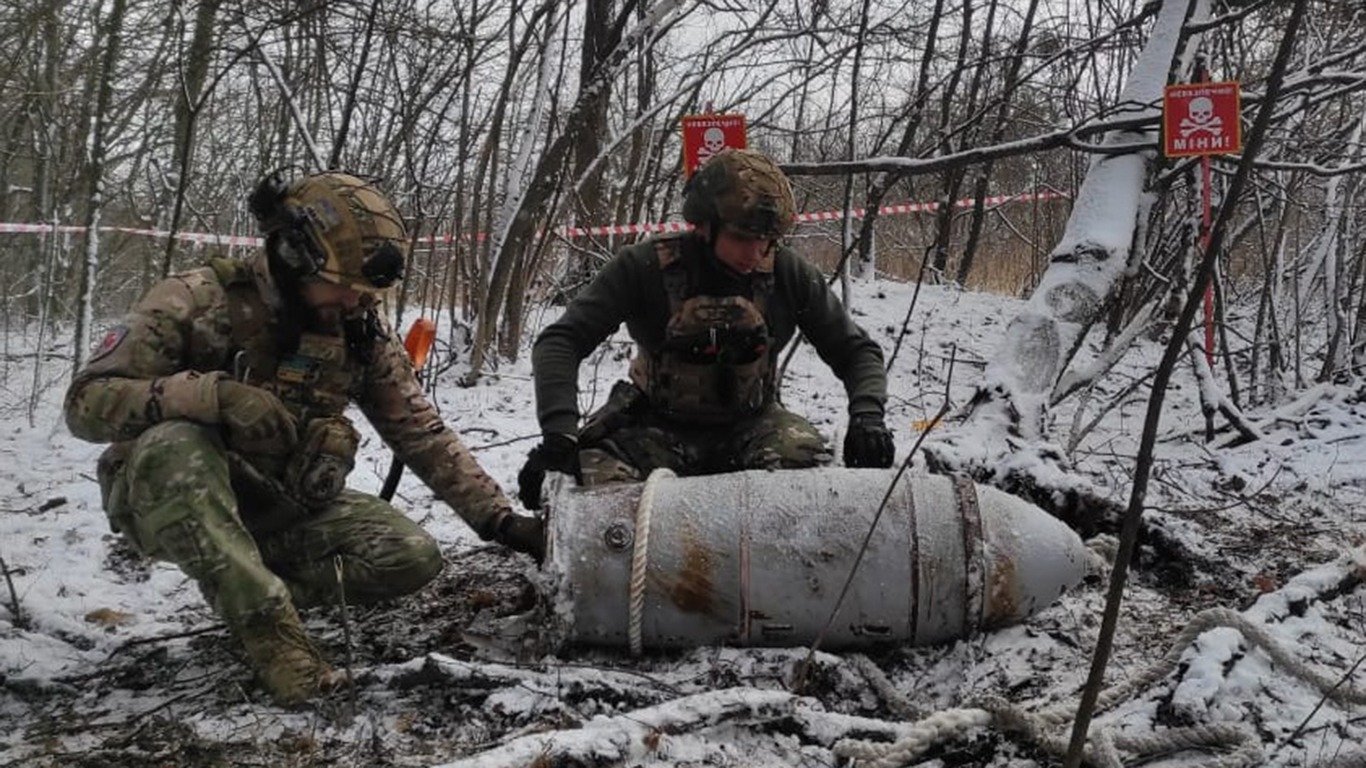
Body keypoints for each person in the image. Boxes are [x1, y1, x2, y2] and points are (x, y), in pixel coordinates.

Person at [64, 171, 544, 706]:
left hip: (279, 503)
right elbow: (85, 403)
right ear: (295, 256)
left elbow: (418, 430)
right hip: (167, 497)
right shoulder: (198, 301)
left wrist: (500, 521)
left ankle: (244, 585)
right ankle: (271, 635)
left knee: (411, 556)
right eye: (346, 287)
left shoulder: (356, 329)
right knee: (177, 443)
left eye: (366, 294)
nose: (358, 304)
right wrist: (210, 397)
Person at [519, 148, 894, 509]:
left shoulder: (787, 273)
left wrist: (867, 416)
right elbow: (561, 341)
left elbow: (855, 351)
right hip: (654, 426)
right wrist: (559, 435)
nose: (755, 252)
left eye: (766, 240)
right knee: (597, 501)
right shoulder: (643, 267)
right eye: (742, 237)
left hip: (753, 425)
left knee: (806, 491)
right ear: (704, 226)